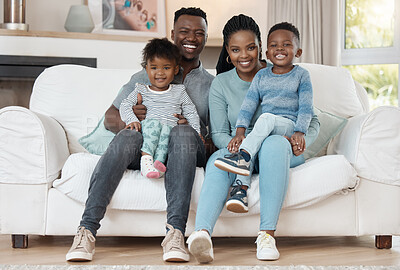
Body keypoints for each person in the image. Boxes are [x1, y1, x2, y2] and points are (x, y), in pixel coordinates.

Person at [66, 7, 214, 263]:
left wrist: (191, 129)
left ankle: (176, 233)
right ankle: (86, 230)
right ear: (173, 34)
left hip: (186, 150)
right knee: (127, 136)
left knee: (181, 133)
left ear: (206, 38)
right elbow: (111, 117)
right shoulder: (146, 75)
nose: (192, 38)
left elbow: (215, 136)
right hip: (147, 148)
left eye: (199, 33)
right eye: (184, 32)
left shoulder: (212, 85)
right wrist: (135, 119)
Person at [186, 14, 320, 263]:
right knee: (218, 157)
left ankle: (267, 235)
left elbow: (312, 118)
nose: (245, 55)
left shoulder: (285, 73)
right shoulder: (222, 84)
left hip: (279, 150)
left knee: (273, 143)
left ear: (262, 48)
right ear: (227, 51)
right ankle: (202, 233)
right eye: (236, 49)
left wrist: (301, 141)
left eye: (251, 47)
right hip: (241, 152)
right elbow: (218, 133)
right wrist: (238, 143)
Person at [214, 22, 314, 213]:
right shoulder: (261, 77)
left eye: (286, 45)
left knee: (264, 120)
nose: (280, 49)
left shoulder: (301, 75)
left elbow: (306, 107)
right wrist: (240, 132)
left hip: (288, 125)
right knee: (254, 142)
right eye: (274, 45)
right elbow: (248, 106)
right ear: (267, 53)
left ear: (298, 52)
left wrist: (300, 132)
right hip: (268, 128)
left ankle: (241, 157)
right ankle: (240, 191)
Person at [120, 38, 201, 179]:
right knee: (155, 125)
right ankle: (146, 160)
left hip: (168, 131)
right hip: (148, 130)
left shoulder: (180, 91)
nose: (160, 73)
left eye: (166, 68)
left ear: (175, 69)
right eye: (154, 68)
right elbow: (125, 104)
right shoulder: (141, 89)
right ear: (146, 69)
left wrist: (196, 131)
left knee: (167, 131)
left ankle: (158, 165)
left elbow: (191, 112)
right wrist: (132, 120)